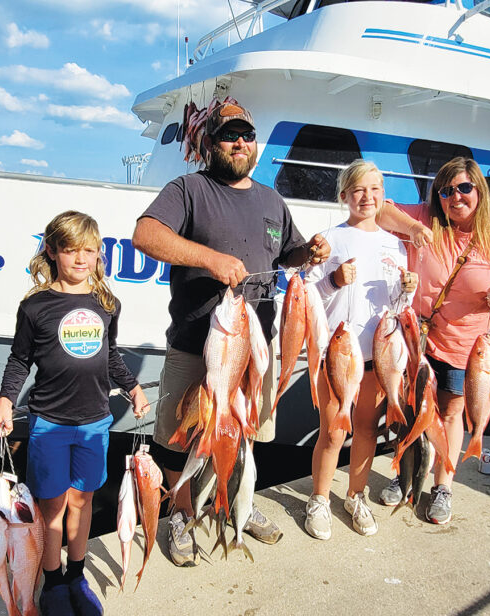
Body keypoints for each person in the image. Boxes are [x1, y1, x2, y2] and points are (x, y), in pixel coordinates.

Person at [131, 100, 331, 565]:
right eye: (229, 135)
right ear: (210, 143)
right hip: (195, 345)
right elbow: (145, 235)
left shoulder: (271, 200)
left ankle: (237, 505)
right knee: (179, 436)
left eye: (247, 134)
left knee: (242, 433)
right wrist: (209, 259)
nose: (240, 143)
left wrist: (311, 253)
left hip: (254, 347)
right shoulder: (189, 189)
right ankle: (181, 515)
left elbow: (290, 253)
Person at [0, 210, 149, 616]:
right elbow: (19, 360)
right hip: (49, 423)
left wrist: (132, 387)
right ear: (52, 251)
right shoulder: (35, 307)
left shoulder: (106, 303)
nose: (81, 259)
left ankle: (76, 574)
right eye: (70, 250)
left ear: (99, 254)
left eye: (89, 251)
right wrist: (6, 401)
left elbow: (110, 355)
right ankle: (53, 580)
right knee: (51, 506)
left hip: (96, 420)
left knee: (83, 499)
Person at [375, 157, 490, 524]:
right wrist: (413, 227)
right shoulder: (428, 218)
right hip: (419, 339)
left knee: (450, 412)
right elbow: (380, 211)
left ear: (479, 190)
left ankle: (443, 485)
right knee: (411, 409)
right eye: (446, 191)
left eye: (463, 188)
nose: (455, 197)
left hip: (468, 347)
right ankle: (405, 473)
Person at [302, 160, 417, 540]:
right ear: (344, 196)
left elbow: (397, 309)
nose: (367, 197)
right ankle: (319, 499)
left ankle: (355, 495)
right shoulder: (329, 239)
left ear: (383, 196)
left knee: (367, 428)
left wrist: (407, 290)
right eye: (358, 190)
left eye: (375, 190)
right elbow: (308, 295)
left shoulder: (395, 245)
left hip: (376, 357)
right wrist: (334, 279)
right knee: (334, 431)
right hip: (337, 354)